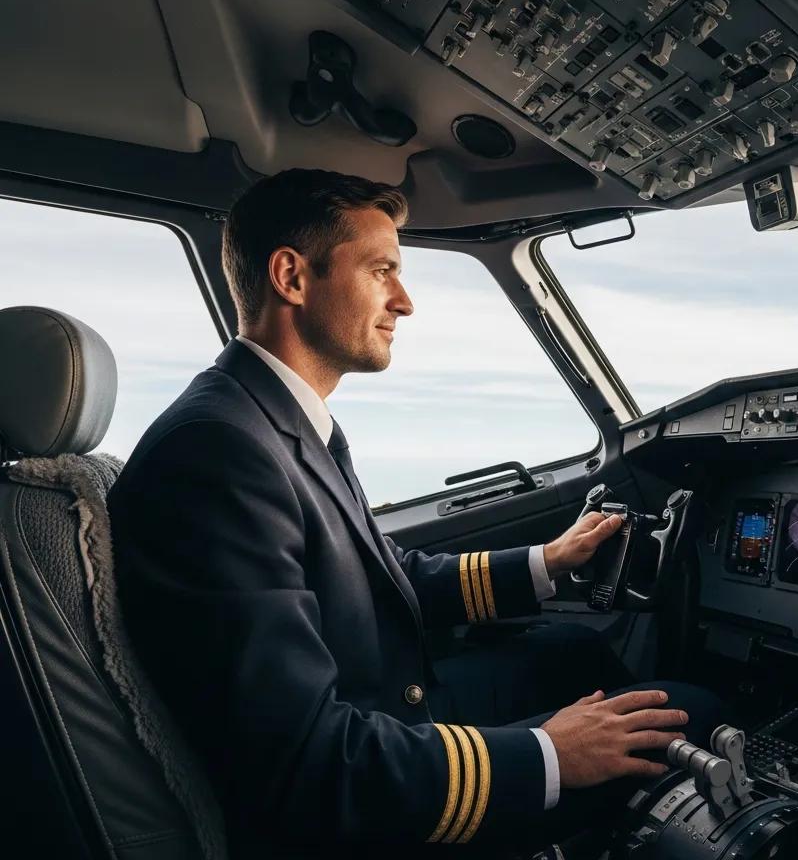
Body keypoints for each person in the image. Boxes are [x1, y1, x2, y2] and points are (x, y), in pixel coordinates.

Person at [108, 169, 720, 858]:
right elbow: (308, 768)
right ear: (292, 276)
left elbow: (379, 576)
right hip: (350, 798)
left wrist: (546, 565)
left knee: (572, 652)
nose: (404, 302)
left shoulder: (267, 418)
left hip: (377, 707)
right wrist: (549, 756)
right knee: (685, 715)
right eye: (381, 271)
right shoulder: (217, 451)